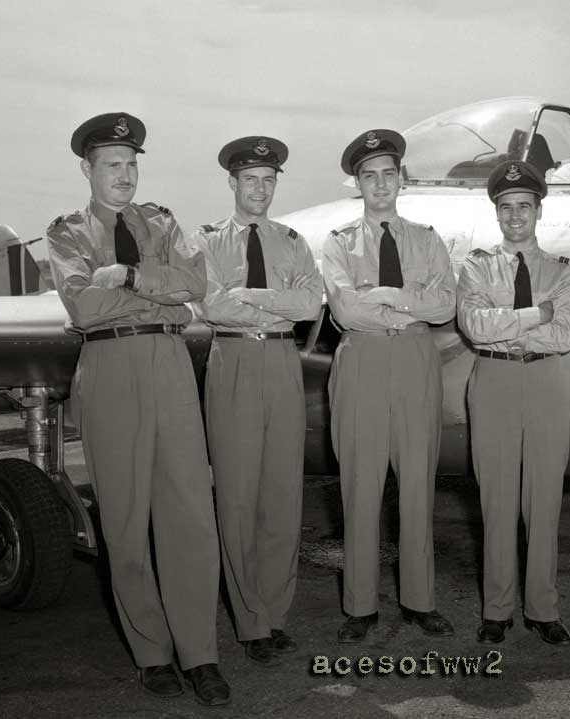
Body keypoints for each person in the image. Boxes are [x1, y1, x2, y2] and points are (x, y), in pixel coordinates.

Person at [46, 113, 229, 706]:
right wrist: (160, 294)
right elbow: (84, 307)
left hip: (171, 369)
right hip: (108, 370)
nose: (124, 176)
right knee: (124, 520)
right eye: (111, 166)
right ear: (87, 169)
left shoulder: (163, 221)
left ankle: (200, 653)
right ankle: (152, 653)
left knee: (190, 516)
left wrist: (126, 274)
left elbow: (196, 282)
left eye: (131, 165)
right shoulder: (67, 233)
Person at [190, 136, 322, 665]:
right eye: (251, 180)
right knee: (238, 496)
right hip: (234, 363)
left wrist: (247, 296)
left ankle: (274, 610)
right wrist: (272, 305)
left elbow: (309, 302)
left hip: (283, 364)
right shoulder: (207, 243)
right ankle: (249, 620)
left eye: (269, 180)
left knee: (283, 495)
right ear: (232, 183)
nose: (260, 189)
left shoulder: (293, 241)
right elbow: (210, 305)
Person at [321, 129, 457, 642]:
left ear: (401, 178)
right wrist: (410, 298)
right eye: (368, 176)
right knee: (360, 485)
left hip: (417, 359)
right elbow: (345, 308)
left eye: (388, 174)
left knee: (418, 484)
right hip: (363, 363)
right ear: (358, 183)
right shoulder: (338, 243)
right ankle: (359, 606)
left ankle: (419, 601)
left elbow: (446, 306)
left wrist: (384, 295)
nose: (380, 184)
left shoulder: (427, 238)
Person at [456, 160, 570, 645]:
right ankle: (497, 609)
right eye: (506, 208)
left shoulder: (563, 271)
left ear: (537, 210)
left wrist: (506, 319)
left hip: (546, 381)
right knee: (497, 497)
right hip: (493, 379)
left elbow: (565, 334)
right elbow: (475, 327)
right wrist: (536, 313)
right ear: (497, 212)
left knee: (544, 500)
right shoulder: (474, 266)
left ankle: (543, 608)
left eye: (523, 207)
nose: (515, 217)